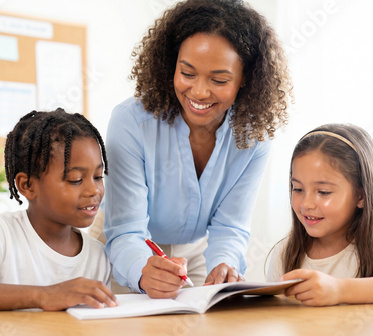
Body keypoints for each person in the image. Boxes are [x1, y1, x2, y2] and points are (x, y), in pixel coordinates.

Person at [101, 0, 292, 298]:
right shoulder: (131, 122)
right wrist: (141, 270)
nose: (200, 92)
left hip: (195, 251)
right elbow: (126, 229)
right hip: (126, 244)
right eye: (187, 74)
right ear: (170, 64)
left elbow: (230, 225)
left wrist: (225, 263)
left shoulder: (253, 135)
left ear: (246, 79)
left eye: (219, 80)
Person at [0, 109, 118, 311]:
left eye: (98, 176)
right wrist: (44, 295)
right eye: (75, 180)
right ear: (28, 185)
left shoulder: (99, 257)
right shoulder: (1, 232)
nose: (94, 190)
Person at [265, 123, 373, 306]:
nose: (306, 204)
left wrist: (339, 290)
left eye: (323, 192)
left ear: (360, 196)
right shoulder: (284, 254)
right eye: (297, 188)